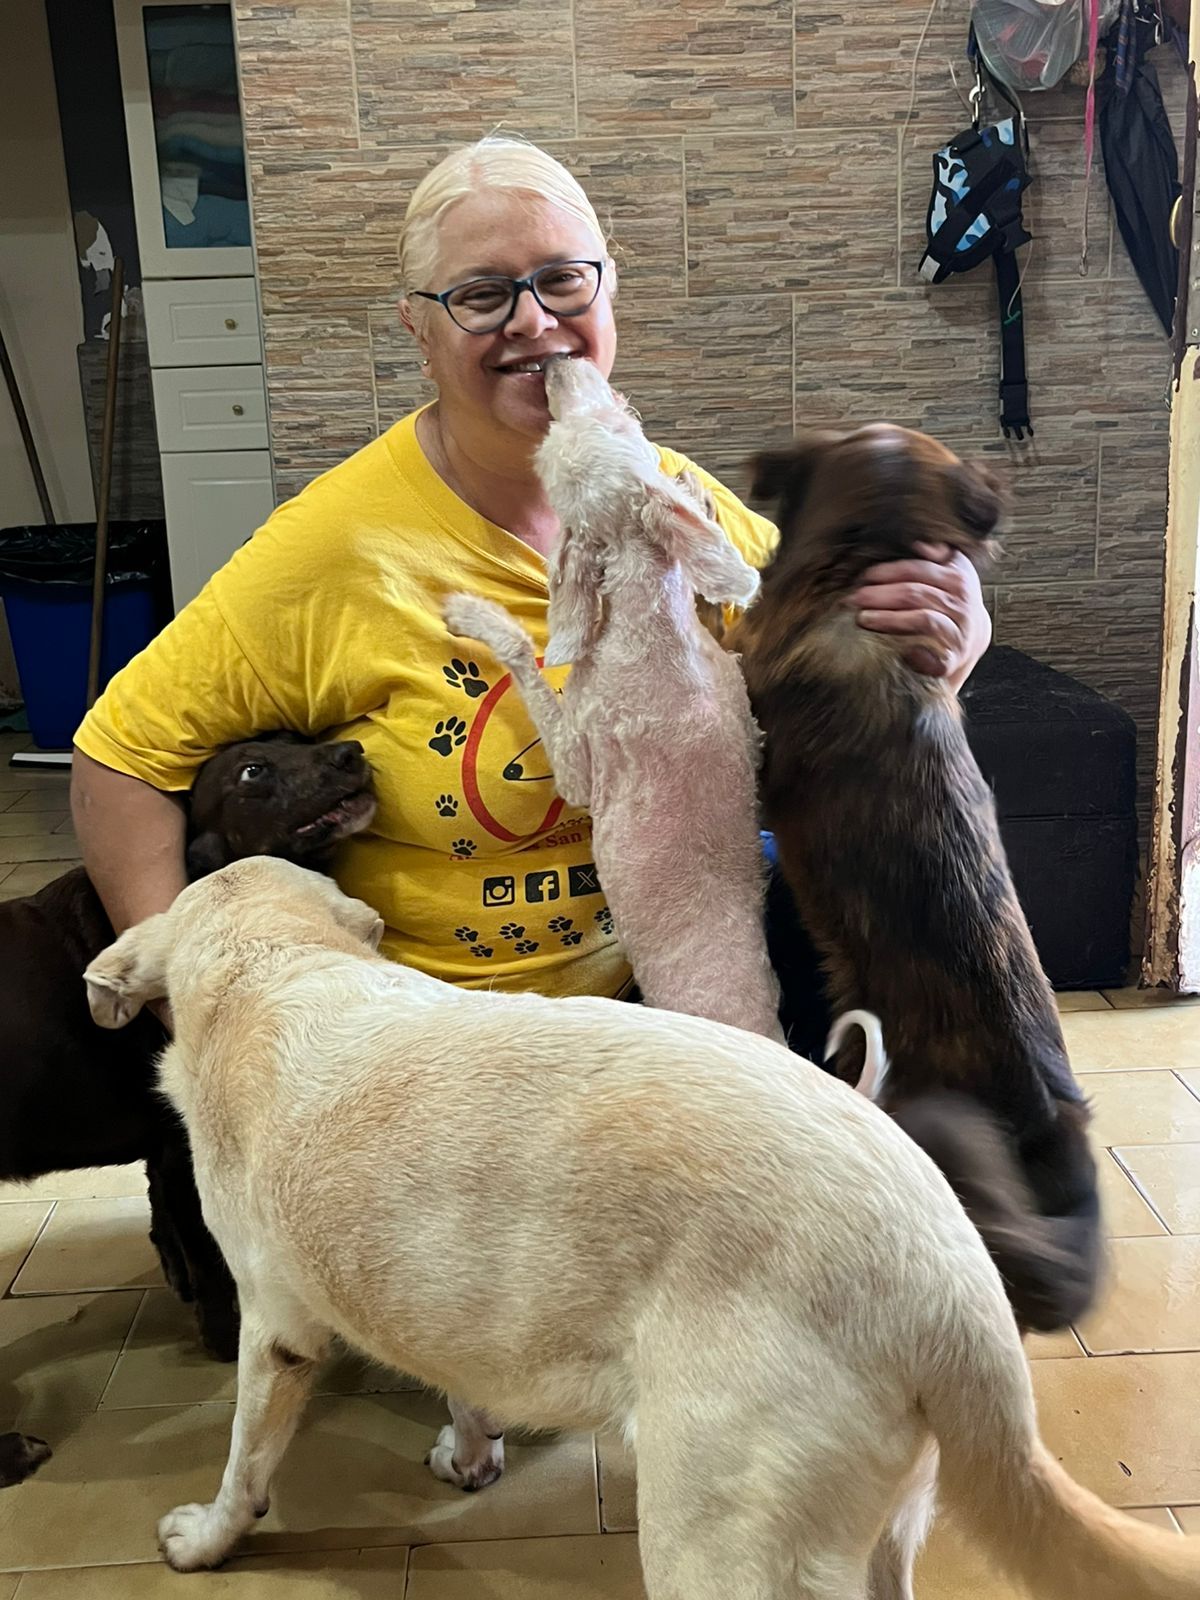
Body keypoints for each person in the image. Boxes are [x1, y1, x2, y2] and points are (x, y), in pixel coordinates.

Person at [71, 136, 991, 1050]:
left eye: (563, 279)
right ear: (418, 329)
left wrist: (949, 646)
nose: (533, 320)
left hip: (669, 1000)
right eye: (482, 295)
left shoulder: (670, 500)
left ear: (608, 289)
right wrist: (199, 1015)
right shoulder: (332, 548)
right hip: (432, 1038)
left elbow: (834, 703)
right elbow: (119, 760)